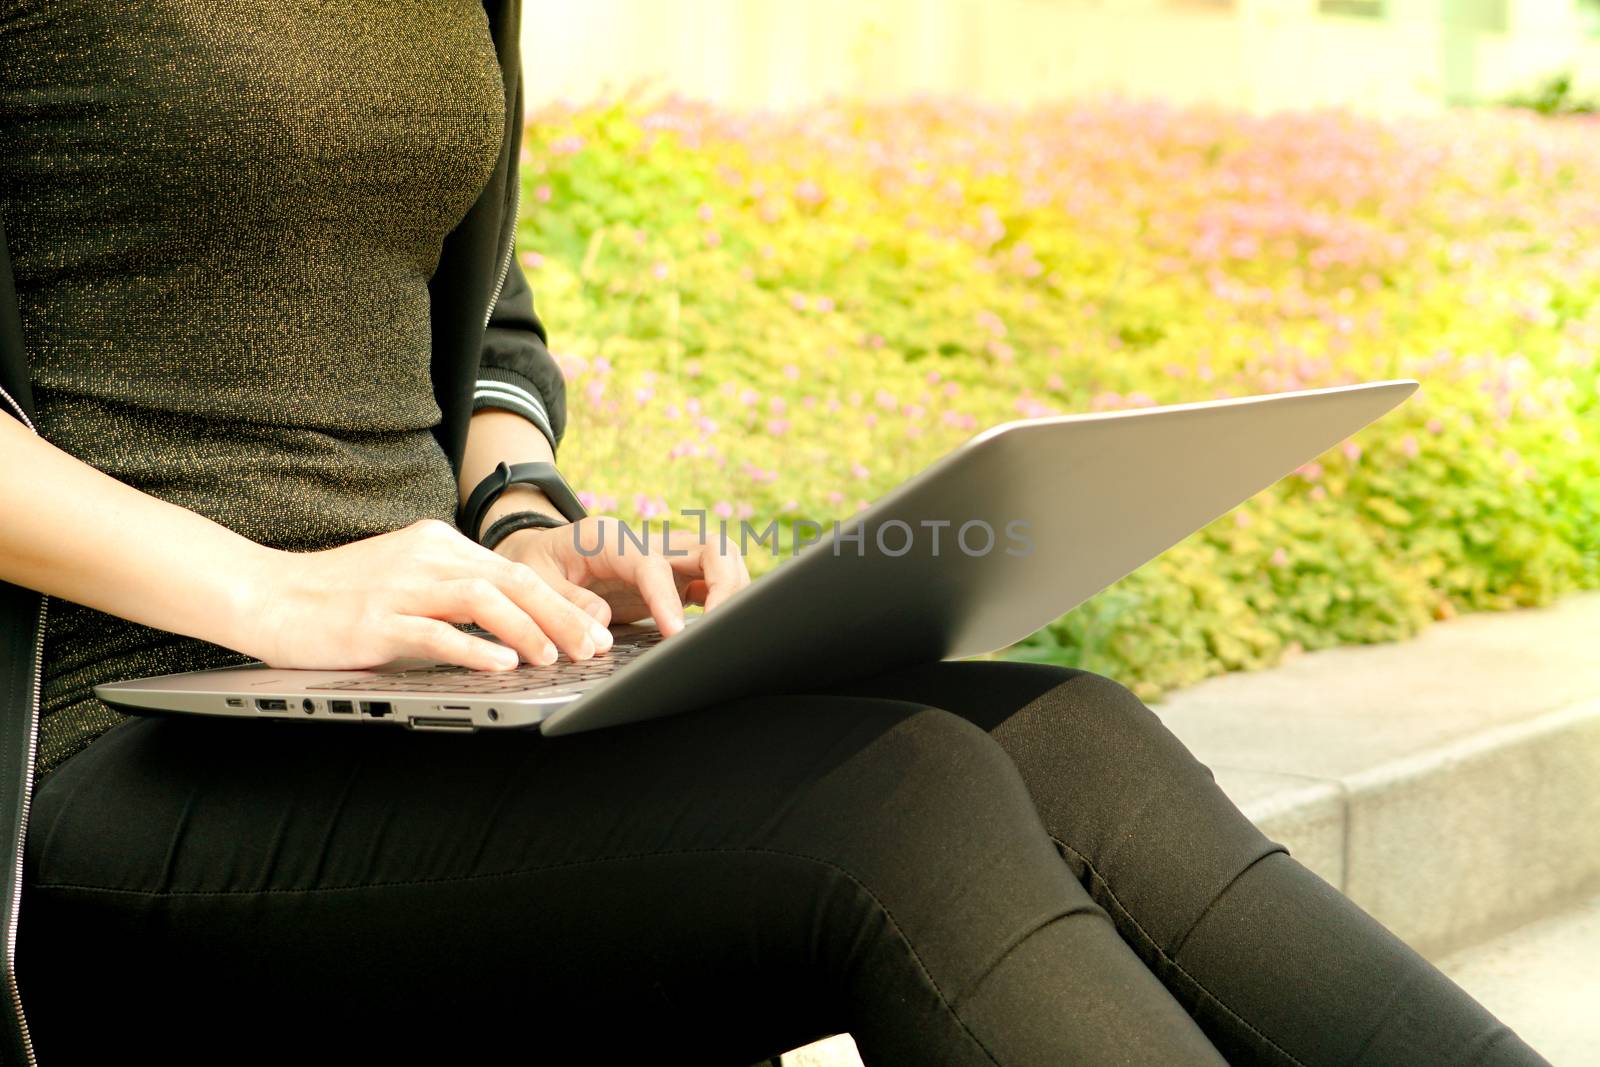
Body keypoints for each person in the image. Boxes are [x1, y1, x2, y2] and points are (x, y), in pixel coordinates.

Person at [0, 3, 1549, 1065]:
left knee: (1072, 735)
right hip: (97, 755)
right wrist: (268, 593)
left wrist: (527, 521)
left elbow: (473, 313)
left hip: (413, 689)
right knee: (897, 805)